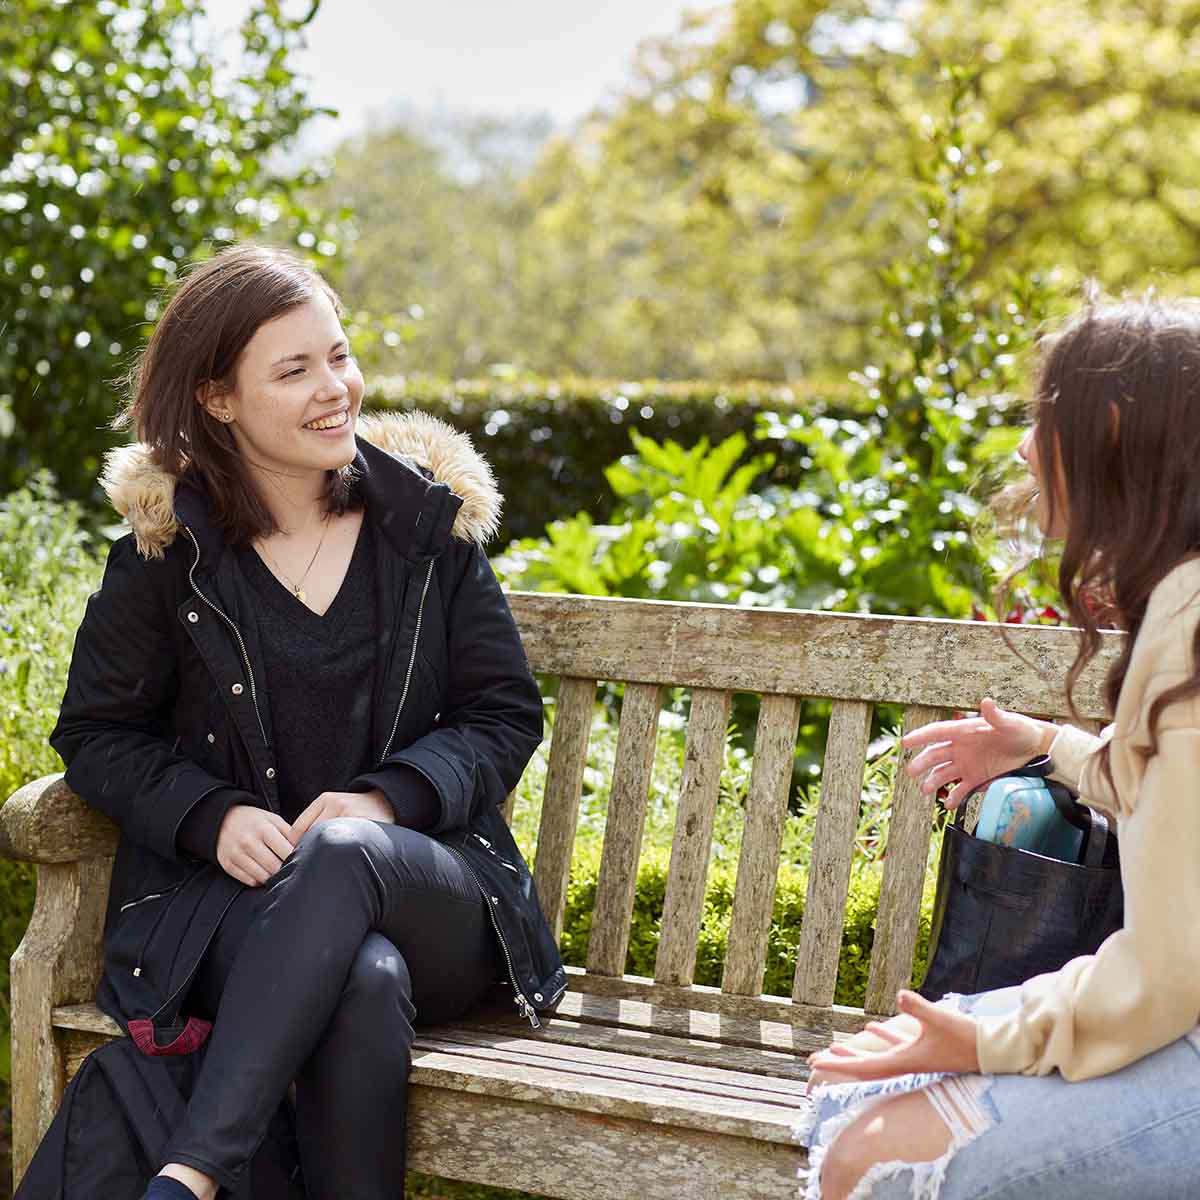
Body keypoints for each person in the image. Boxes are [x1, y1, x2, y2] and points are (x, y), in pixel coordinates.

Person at [44, 243, 565, 1200]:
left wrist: (384, 799)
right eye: (295, 370)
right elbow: (96, 736)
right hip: (234, 913)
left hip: (432, 898)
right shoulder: (169, 559)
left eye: (339, 355)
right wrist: (211, 815)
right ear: (217, 399)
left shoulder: (423, 532)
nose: (337, 388)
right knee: (358, 985)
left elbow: (501, 716)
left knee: (345, 856)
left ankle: (190, 1173)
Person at [799, 295, 1200, 1200]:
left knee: (877, 1156)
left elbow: (1174, 968)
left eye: (1040, 416)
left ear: (1105, 429)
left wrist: (986, 1038)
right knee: (853, 1100)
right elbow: (1175, 795)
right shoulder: (1185, 595)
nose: (1023, 447)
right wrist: (1044, 745)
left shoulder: (1190, 616)